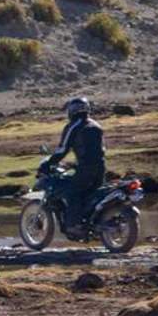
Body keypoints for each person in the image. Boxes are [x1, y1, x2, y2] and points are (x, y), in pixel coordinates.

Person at [40, 97, 106, 236]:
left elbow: (63, 149)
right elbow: (99, 149)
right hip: (100, 167)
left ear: (72, 110)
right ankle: (91, 223)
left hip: (86, 168)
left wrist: (48, 163)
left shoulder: (74, 126)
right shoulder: (96, 125)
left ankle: (74, 225)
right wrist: (75, 164)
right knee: (91, 195)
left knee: (72, 192)